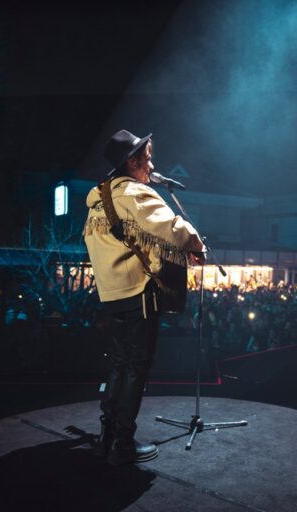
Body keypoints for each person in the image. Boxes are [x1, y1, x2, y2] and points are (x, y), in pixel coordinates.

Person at [84, 129, 205, 465]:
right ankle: (122, 443)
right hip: (138, 292)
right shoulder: (134, 194)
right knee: (136, 367)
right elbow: (173, 229)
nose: (151, 165)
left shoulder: (100, 196)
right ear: (132, 162)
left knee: (120, 364)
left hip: (112, 293)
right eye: (147, 159)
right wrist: (197, 245)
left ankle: (107, 436)